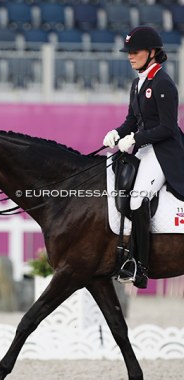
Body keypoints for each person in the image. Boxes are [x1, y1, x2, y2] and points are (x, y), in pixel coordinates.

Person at [103, 26, 184, 289]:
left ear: (152, 53)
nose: (130, 56)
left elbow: (168, 128)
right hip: (145, 147)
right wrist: (117, 132)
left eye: (134, 51)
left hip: (164, 151)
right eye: (128, 51)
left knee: (138, 199)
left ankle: (140, 265)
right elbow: (132, 120)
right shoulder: (138, 81)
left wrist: (137, 139)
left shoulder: (163, 83)